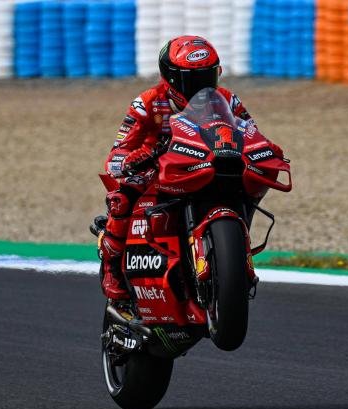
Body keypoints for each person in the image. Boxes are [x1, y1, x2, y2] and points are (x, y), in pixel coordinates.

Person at [98, 36, 283, 312]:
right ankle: (112, 266)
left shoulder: (228, 99)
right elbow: (116, 155)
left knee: (249, 180)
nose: (201, 88)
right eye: (192, 81)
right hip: (160, 169)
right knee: (123, 198)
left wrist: (268, 149)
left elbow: (250, 132)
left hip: (208, 163)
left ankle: (232, 253)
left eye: (207, 78)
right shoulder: (147, 102)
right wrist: (133, 160)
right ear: (170, 79)